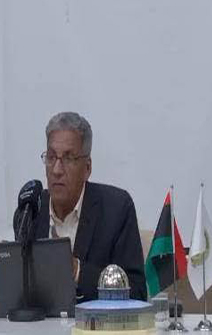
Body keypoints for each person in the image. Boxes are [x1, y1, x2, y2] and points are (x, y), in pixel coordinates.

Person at [32, 112, 147, 301]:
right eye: (51, 157)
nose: (56, 170)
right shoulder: (32, 210)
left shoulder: (116, 210)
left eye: (68, 159)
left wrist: (76, 270)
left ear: (87, 168)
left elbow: (137, 292)